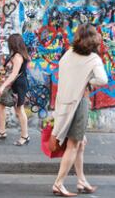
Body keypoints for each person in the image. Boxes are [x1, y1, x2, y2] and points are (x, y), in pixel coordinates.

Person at [51, 24, 108, 196]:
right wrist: (87, 81)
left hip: (64, 102)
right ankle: (58, 184)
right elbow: (102, 79)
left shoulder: (68, 54)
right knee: (74, 144)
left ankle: (81, 180)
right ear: (94, 40)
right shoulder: (93, 59)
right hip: (79, 103)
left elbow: (62, 70)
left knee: (80, 143)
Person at [0, 33, 30, 146]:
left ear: (13, 43)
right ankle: (2, 132)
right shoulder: (14, 54)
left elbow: (14, 75)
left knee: (19, 110)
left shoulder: (18, 56)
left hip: (18, 85)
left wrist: (3, 86)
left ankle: (25, 136)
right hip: (12, 85)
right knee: (0, 105)